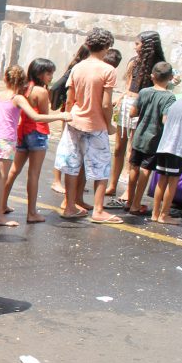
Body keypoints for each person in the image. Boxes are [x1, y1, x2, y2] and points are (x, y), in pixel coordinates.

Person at [0, 66, 71, 226]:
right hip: (7, 139)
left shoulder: (0, 95)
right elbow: (36, 117)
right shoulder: (17, 98)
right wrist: (61, 116)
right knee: (1, 177)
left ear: (5, 79)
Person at [55, 27, 120, 223]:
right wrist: (110, 125)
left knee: (72, 164)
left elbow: (70, 99)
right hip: (96, 124)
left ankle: (70, 206)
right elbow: (106, 104)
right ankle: (98, 210)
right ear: (107, 46)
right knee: (101, 167)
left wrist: (67, 118)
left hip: (74, 120)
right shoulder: (108, 70)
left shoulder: (78, 67)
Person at [107, 31, 167, 206]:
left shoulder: (157, 65)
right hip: (128, 103)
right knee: (119, 147)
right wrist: (120, 99)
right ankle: (112, 184)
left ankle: (128, 190)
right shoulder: (134, 61)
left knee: (132, 150)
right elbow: (128, 85)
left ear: (147, 45)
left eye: (138, 44)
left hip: (142, 106)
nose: (135, 47)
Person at [127, 62, 177, 216]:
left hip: (139, 136)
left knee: (134, 167)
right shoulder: (169, 97)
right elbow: (165, 120)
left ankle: (129, 201)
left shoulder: (144, 92)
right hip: (154, 140)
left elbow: (132, 113)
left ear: (152, 76)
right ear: (171, 77)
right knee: (145, 170)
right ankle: (136, 204)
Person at [49, 44, 91, 193]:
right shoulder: (76, 68)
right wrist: (66, 111)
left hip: (75, 111)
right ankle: (56, 181)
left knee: (75, 148)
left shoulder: (81, 67)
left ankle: (74, 183)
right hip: (70, 111)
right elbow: (58, 87)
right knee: (65, 146)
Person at [153, 93, 182, 224]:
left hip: (163, 146)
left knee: (162, 180)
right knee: (172, 182)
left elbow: (165, 120)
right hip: (177, 148)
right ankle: (164, 215)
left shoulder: (176, 103)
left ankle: (155, 214)